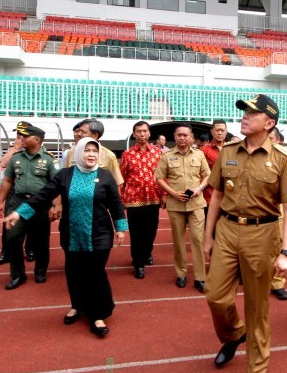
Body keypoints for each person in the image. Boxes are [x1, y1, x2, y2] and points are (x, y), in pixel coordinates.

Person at [203, 94, 287, 373]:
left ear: (269, 122)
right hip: (229, 230)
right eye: (244, 111)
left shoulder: (283, 158)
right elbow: (217, 195)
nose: (244, 116)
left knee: (258, 310)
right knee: (215, 296)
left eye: (252, 113)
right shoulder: (229, 152)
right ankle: (234, 335)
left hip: (263, 234)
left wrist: (286, 252)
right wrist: (208, 236)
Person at [4, 138, 127, 338]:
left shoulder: (105, 176)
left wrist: (120, 228)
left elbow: (116, 204)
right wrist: (19, 213)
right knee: (74, 271)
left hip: (99, 234)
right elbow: (42, 196)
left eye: (94, 151)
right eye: (86, 150)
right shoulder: (65, 175)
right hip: (71, 234)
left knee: (95, 274)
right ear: (78, 153)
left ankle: (97, 314)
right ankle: (76, 306)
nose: (91, 154)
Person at [0, 123, 60, 290]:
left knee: (41, 241)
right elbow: (8, 181)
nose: (21, 139)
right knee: (12, 238)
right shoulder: (16, 157)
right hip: (17, 202)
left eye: (26, 136)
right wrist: (0, 202)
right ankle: (17, 274)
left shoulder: (48, 159)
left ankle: (40, 271)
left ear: (37, 140)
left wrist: (55, 205)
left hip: (40, 204)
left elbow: (56, 185)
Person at [155, 124, 211, 291]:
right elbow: (158, 178)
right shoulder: (167, 156)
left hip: (196, 204)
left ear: (191, 137)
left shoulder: (199, 154)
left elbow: (207, 175)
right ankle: (181, 274)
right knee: (179, 242)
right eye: (179, 135)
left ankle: (200, 277)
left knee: (197, 239)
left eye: (185, 135)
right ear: (175, 136)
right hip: (175, 205)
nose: (182, 138)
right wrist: (173, 193)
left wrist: (199, 189)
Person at [120, 120, 164, 279]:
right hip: (133, 199)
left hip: (153, 197)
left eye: (145, 131)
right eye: (139, 131)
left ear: (149, 133)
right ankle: (138, 262)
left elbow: (163, 175)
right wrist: (121, 197)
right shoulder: (127, 154)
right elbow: (122, 178)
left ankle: (147, 252)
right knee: (137, 232)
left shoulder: (158, 153)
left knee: (151, 230)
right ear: (134, 134)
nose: (142, 134)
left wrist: (164, 195)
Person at [0, 126, 34, 266]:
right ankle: (6, 252)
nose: (20, 138)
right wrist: (15, 148)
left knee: (31, 223)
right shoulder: (14, 150)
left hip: (32, 192)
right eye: (19, 135)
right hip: (14, 191)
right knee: (8, 223)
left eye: (23, 135)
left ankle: (30, 250)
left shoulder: (37, 149)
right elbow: (3, 163)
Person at [266, 126, 287, 301]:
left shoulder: (284, 158)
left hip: (277, 208)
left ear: (279, 140)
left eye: (271, 138)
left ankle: (277, 283)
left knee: (277, 245)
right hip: (254, 211)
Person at [63, 118, 124, 186]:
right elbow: (64, 178)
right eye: (79, 131)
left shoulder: (109, 156)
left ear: (95, 135)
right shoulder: (71, 152)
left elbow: (117, 183)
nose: (79, 134)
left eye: (83, 132)